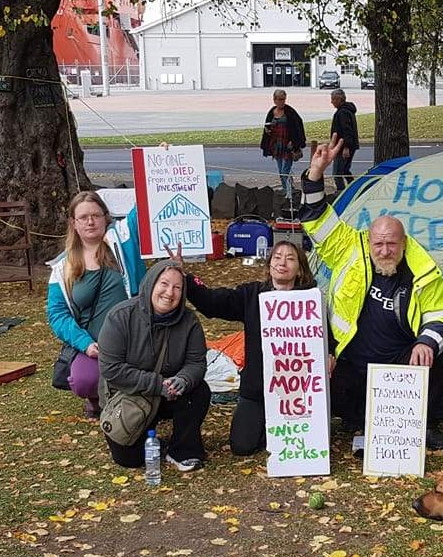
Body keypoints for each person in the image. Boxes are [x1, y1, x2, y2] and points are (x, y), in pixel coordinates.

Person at [299, 136, 443, 455]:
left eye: (392, 244)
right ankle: (364, 421)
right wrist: (316, 172)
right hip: (352, 362)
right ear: (369, 240)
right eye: (378, 244)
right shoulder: (348, 247)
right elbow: (315, 219)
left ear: (404, 243)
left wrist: (427, 342)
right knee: (324, 378)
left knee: (437, 360)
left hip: (399, 365)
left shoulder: (422, 268)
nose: (385, 251)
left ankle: (418, 424)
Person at [175, 240, 319, 455]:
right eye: (277, 257)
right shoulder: (251, 294)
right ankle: (266, 426)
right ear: (269, 265)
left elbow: (325, 336)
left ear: (299, 269)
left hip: (297, 389)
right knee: (242, 446)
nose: (282, 263)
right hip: (257, 387)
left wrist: (329, 353)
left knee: (305, 440)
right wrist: (185, 277)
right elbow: (212, 302)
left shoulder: (310, 300)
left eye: (290, 258)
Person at [98, 259, 210, 471]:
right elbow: (111, 368)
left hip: (171, 393)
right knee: (130, 460)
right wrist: (157, 384)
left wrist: (183, 380)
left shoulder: (189, 321)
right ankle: (143, 433)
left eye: (177, 287)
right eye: (164, 284)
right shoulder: (120, 316)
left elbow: (196, 362)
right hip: (131, 394)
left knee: (199, 391)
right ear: (151, 283)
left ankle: (182, 450)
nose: (170, 293)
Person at [47, 191, 146, 417]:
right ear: (74, 223)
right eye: (83, 217)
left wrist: (161, 161)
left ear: (105, 217)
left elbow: (146, 201)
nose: (90, 221)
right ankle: (96, 397)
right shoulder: (62, 267)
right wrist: (85, 344)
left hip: (133, 338)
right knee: (84, 380)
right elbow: (57, 314)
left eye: (96, 215)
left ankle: (128, 396)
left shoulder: (124, 240)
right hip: (95, 345)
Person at [260, 88, 306, 199]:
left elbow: (297, 126)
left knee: (286, 170)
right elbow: (267, 126)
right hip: (276, 145)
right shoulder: (272, 112)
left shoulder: (290, 112)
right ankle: (287, 190)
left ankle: (289, 193)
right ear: (274, 100)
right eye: (279, 99)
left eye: (283, 99)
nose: (282, 102)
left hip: (288, 145)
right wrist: (267, 132)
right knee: (281, 170)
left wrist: (295, 142)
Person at [330, 88, 359, 192]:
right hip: (347, 145)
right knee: (345, 170)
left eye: (333, 99)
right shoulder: (346, 111)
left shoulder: (343, 113)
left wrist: (346, 147)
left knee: (337, 173)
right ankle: (354, 189)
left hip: (343, 147)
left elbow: (347, 130)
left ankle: (340, 191)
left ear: (339, 99)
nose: (331, 102)